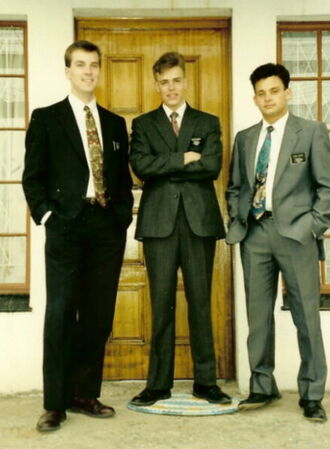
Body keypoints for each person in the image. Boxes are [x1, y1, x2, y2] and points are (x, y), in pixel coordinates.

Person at [22, 40, 133, 432]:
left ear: (100, 71)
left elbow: (122, 181)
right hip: (65, 228)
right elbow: (32, 178)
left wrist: (120, 218)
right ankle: (55, 403)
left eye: (94, 65)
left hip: (105, 229)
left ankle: (84, 393)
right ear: (67, 71)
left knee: (98, 316)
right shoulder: (47, 118)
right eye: (80, 65)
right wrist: (49, 216)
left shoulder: (116, 124)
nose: (88, 71)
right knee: (60, 314)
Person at [226, 63, 330, 422]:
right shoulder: (245, 138)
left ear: (287, 93)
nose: (267, 98)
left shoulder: (310, 132)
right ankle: (262, 385)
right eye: (261, 92)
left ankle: (311, 394)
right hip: (255, 234)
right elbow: (235, 187)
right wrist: (237, 217)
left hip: (296, 236)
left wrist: (313, 226)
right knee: (258, 316)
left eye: (274, 90)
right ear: (255, 97)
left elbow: (328, 186)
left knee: (306, 315)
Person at [129, 52, 231, 407]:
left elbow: (212, 166)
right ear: (156, 84)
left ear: (185, 81)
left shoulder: (207, 122)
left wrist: (167, 166)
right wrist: (183, 159)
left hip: (199, 223)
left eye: (176, 80)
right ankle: (158, 385)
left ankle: (206, 382)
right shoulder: (143, 124)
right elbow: (141, 167)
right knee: (161, 305)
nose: (171, 88)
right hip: (158, 225)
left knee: (201, 303)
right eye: (164, 81)